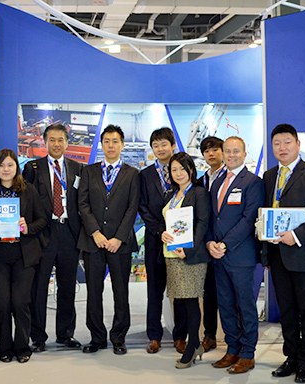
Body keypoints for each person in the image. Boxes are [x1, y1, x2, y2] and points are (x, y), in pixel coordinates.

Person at [263, 124, 305, 384]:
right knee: (287, 310)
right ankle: (290, 356)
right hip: (277, 254)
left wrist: (297, 235)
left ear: (298, 144)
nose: (282, 148)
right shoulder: (269, 176)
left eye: (287, 142)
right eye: (277, 143)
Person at [78, 124, 140, 355]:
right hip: (93, 242)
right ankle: (97, 337)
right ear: (101, 144)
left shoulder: (132, 174)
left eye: (115, 141)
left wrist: (118, 238)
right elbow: (82, 204)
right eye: (107, 141)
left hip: (119, 244)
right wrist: (95, 232)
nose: (111, 145)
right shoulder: (89, 171)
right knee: (93, 292)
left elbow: (132, 208)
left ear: (122, 145)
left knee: (120, 292)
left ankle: (118, 337)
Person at [0, 149, 46, 363]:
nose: (6, 169)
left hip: (23, 254)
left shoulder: (28, 190)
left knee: (20, 302)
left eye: (10, 165)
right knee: (2, 303)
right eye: (1, 165)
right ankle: (5, 347)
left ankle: (22, 346)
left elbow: (42, 220)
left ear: (17, 167)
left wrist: (28, 228)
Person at [206, 136, 265, 374]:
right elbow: (212, 217)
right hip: (218, 256)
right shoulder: (218, 181)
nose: (231, 155)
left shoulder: (253, 182)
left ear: (244, 153)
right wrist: (210, 242)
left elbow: (249, 219)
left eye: (236, 151)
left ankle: (248, 353)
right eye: (228, 151)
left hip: (241, 255)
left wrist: (225, 244)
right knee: (226, 304)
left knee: (245, 305)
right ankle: (232, 349)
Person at [23, 124, 83, 352]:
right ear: (45, 142)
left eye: (60, 140)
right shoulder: (33, 168)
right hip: (43, 234)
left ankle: (65, 334)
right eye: (52, 140)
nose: (56, 144)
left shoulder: (78, 168)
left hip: (68, 233)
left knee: (67, 286)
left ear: (67, 143)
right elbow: (26, 201)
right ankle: (38, 336)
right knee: (38, 287)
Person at [139, 127, 187, 354]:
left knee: (179, 290)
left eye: (164, 144)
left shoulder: (182, 171)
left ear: (173, 145)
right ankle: (154, 336)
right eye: (155, 145)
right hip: (155, 240)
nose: (160, 149)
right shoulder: (145, 175)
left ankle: (180, 336)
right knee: (154, 291)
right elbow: (143, 207)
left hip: (180, 241)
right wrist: (160, 231)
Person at [160, 152, 210, 369]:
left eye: (182, 168)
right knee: (180, 301)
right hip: (171, 255)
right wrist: (163, 234)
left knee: (191, 301)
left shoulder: (199, 193)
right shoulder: (172, 195)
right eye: (174, 169)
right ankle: (193, 343)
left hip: (190, 256)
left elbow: (202, 223)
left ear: (191, 169)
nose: (178, 173)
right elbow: (168, 222)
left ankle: (193, 345)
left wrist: (188, 251)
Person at [197, 136, 227, 353]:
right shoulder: (201, 181)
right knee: (209, 292)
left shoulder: (231, 177)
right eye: (207, 151)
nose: (211, 154)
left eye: (215, 149)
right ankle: (209, 334)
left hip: (226, 244)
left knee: (229, 292)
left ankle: (233, 335)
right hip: (205, 243)